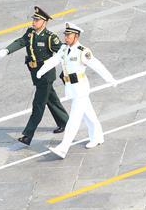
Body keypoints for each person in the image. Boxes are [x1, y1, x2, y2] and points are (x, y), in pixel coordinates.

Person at [36, 23, 117, 159]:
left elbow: (97, 65)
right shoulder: (64, 49)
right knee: (89, 114)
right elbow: (54, 60)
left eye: (69, 35)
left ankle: (63, 148)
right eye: (65, 35)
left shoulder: (82, 51)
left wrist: (110, 79)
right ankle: (97, 137)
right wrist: (41, 71)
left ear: (76, 36)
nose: (66, 37)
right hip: (71, 88)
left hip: (81, 89)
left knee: (73, 119)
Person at [0, 7, 68, 145]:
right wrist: (7, 50)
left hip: (46, 76)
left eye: (37, 20)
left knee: (38, 104)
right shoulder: (30, 33)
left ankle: (27, 135)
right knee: (51, 99)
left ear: (44, 22)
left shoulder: (50, 37)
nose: (33, 22)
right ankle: (65, 121)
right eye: (34, 19)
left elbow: (62, 52)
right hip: (35, 74)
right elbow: (20, 41)